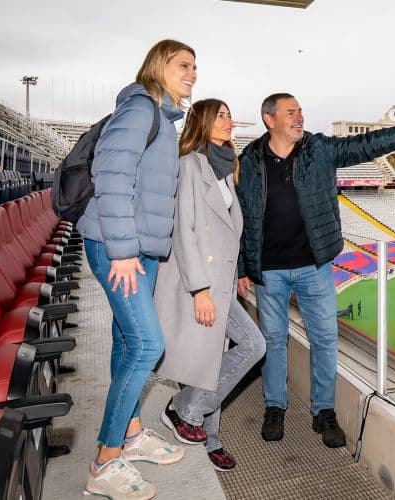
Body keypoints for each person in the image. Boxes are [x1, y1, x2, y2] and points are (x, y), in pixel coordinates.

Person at [235, 92, 395, 448]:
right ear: (269, 119)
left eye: (301, 110)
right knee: (273, 342)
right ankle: (275, 406)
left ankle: (324, 411)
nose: (300, 117)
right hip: (269, 271)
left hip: (313, 267)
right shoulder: (249, 160)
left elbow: (366, 144)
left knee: (325, 340)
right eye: (291, 112)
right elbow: (242, 218)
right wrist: (244, 266)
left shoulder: (319, 149)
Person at [77, 39, 196, 500]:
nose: (192, 73)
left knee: (127, 339)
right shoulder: (140, 110)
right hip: (117, 247)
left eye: (195, 67)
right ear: (158, 65)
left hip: (135, 248)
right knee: (148, 344)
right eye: (184, 65)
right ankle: (105, 461)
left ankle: (129, 433)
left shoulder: (159, 118)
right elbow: (111, 177)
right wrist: (124, 251)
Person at [154, 99, 265, 472]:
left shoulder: (225, 170)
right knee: (230, 353)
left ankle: (187, 411)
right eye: (221, 115)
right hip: (199, 283)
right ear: (202, 121)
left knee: (241, 350)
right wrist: (200, 289)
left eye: (230, 114)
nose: (229, 121)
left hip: (222, 282)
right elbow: (184, 229)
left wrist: (233, 276)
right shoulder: (190, 165)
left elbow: (230, 232)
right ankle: (194, 419)